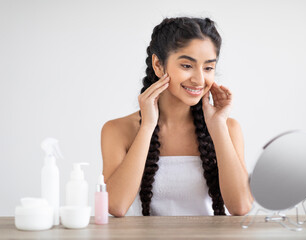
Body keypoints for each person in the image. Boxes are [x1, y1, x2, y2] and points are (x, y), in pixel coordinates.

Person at [101, 17, 254, 217]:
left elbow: (241, 207)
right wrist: (147, 127)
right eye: (186, 66)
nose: (199, 79)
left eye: (208, 68)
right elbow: (115, 206)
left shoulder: (228, 128)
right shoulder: (118, 130)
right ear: (158, 65)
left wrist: (218, 128)